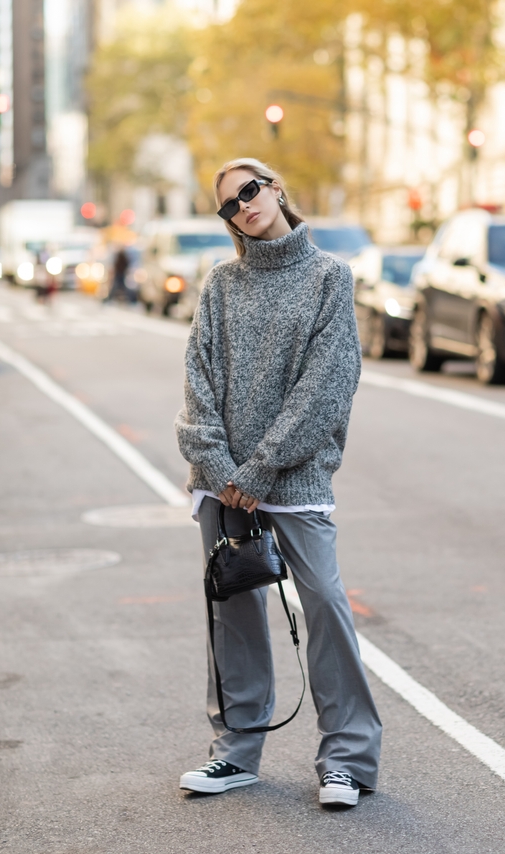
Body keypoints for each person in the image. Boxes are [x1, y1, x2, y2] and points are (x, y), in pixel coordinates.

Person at [175, 158, 381, 807]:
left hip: (292, 480)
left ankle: (347, 758)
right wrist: (221, 469)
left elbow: (327, 386)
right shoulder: (219, 284)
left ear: (277, 189)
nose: (243, 206)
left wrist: (261, 468)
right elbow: (197, 381)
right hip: (222, 483)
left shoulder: (328, 277)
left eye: (250, 190)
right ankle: (235, 752)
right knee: (232, 611)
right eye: (229, 203)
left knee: (323, 604)